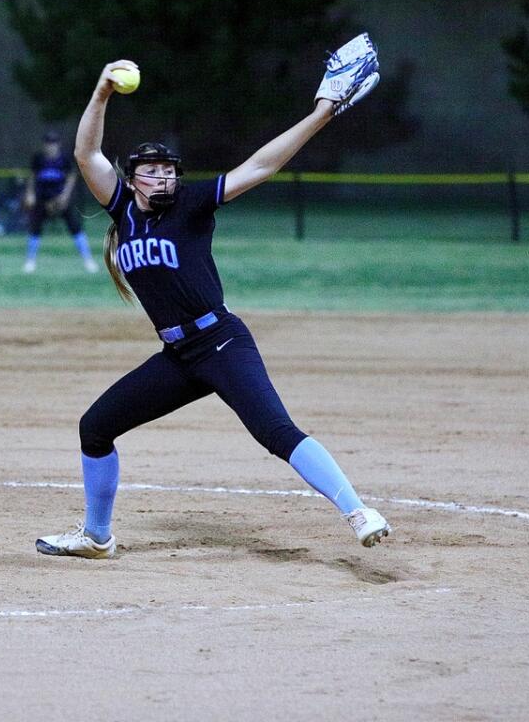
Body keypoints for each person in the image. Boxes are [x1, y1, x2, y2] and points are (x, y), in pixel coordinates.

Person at [36, 40, 390, 560]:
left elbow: (260, 167)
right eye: (153, 170)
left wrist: (321, 113)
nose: (164, 176)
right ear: (131, 179)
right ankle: (96, 536)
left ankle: (359, 512)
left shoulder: (191, 205)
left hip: (221, 342)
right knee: (96, 427)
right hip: (178, 356)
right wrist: (103, 91)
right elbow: (86, 154)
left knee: (275, 431)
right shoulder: (123, 210)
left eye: (169, 170)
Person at [22, 131, 99, 274]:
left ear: (58, 144)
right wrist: (30, 194)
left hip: (60, 199)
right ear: (44, 145)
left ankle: (88, 260)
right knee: (35, 228)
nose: (50, 146)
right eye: (48, 143)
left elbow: (71, 176)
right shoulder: (38, 159)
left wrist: (65, 196)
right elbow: (32, 176)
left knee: (75, 227)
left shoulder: (64, 159)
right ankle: (30, 261)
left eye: (53, 143)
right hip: (42, 199)